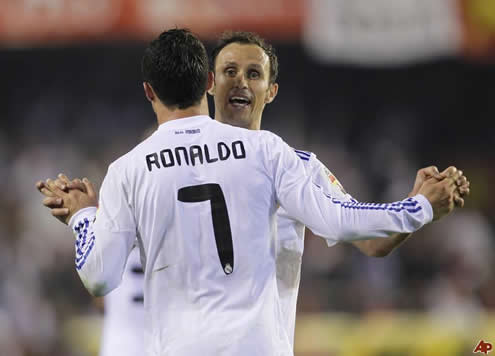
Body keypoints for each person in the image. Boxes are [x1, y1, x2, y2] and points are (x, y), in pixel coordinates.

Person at [37, 30, 469, 354]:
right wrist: (417, 208)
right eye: (229, 72)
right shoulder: (268, 155)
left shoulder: (283, 161)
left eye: (253, 73)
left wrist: (84, 218)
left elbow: (369, 240)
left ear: (270, 90)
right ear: (209, 83)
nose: (240, 82)